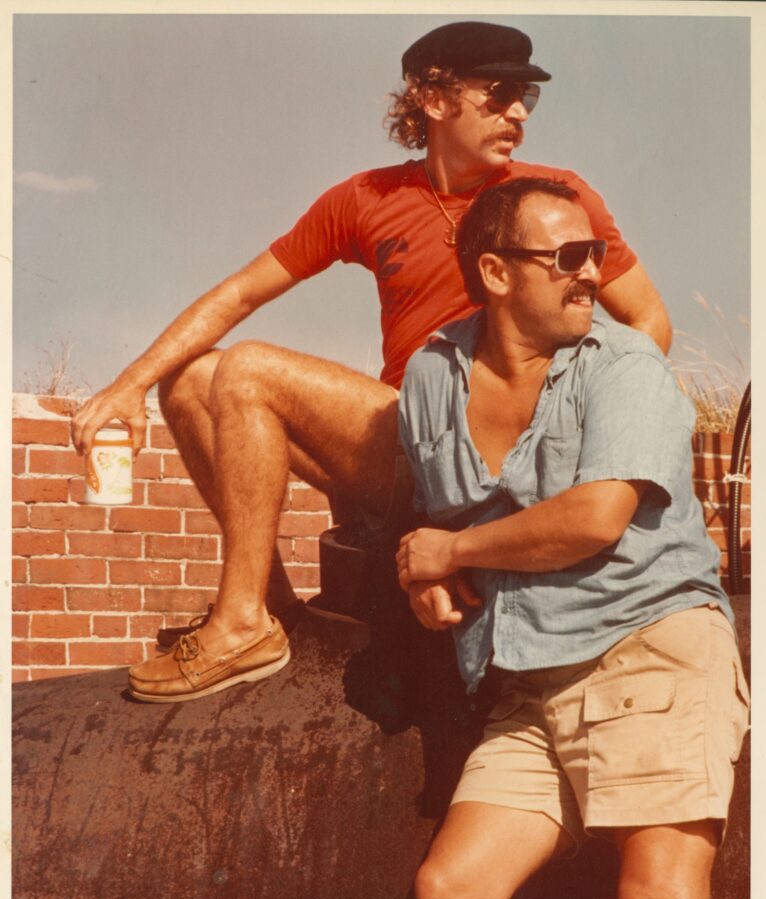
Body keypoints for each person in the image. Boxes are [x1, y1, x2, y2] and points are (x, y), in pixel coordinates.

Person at [70, 21, 671, 702]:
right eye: (500, 95)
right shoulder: (368, 198)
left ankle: (237, 623)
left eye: (527, 99)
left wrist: (576, 435)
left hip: (505, 455)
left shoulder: (554, 201)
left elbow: (649, 320)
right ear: (435, 98)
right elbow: (239, 293)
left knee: (247, 369)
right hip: (412, 442)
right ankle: (261, 611)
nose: (518, 116)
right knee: (190, 382)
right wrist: (128, 386)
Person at [394, 177, 749, 899]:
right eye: (567, 257)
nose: (594, 272)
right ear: (494, 271)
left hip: (650, 648)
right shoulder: (432, 375)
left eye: (595, 253)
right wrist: (432, 579)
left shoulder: (625, 363)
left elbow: (594, 517)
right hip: (525, 678)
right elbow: (443, 523)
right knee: (450, 893)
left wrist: (452, 551)